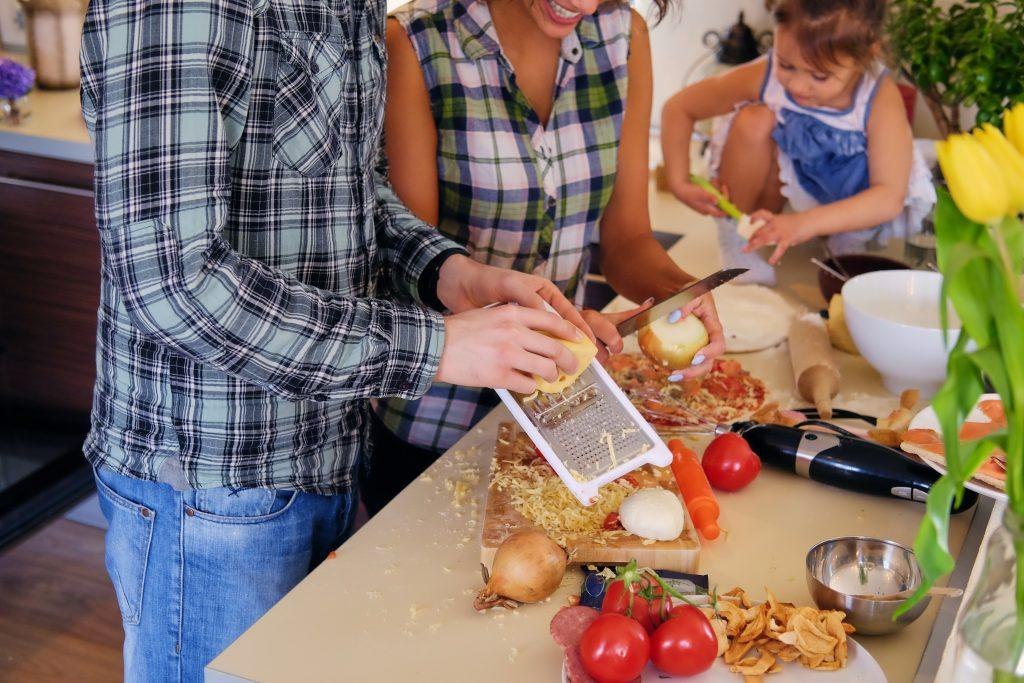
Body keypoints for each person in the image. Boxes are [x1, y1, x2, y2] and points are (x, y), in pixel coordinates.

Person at [79, 0, 600, 679]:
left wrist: (451, 274)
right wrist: (438, 347)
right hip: (211, 489)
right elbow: (174, 283)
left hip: (325, 451)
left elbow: (354, 194)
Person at [362, 0, 726, 513]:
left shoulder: (623, 36)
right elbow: (411, 261)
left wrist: (678, 292)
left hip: (565, 421)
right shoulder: (416, 41)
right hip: (437, 428)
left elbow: (627, 242)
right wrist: (548, 326)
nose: (586, 4)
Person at [661, 0, 935, 282]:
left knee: (853, 248)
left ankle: (846, 237)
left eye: (820, 75)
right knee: (754, 120)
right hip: (793, 183)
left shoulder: (878, 96)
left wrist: (803, 224)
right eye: (786, 64)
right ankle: (736, 236)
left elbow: (888, 197)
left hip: (853, 200)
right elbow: (679, 108)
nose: (797, 85)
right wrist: (679, 181)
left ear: (865, 54)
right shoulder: (767, 75)